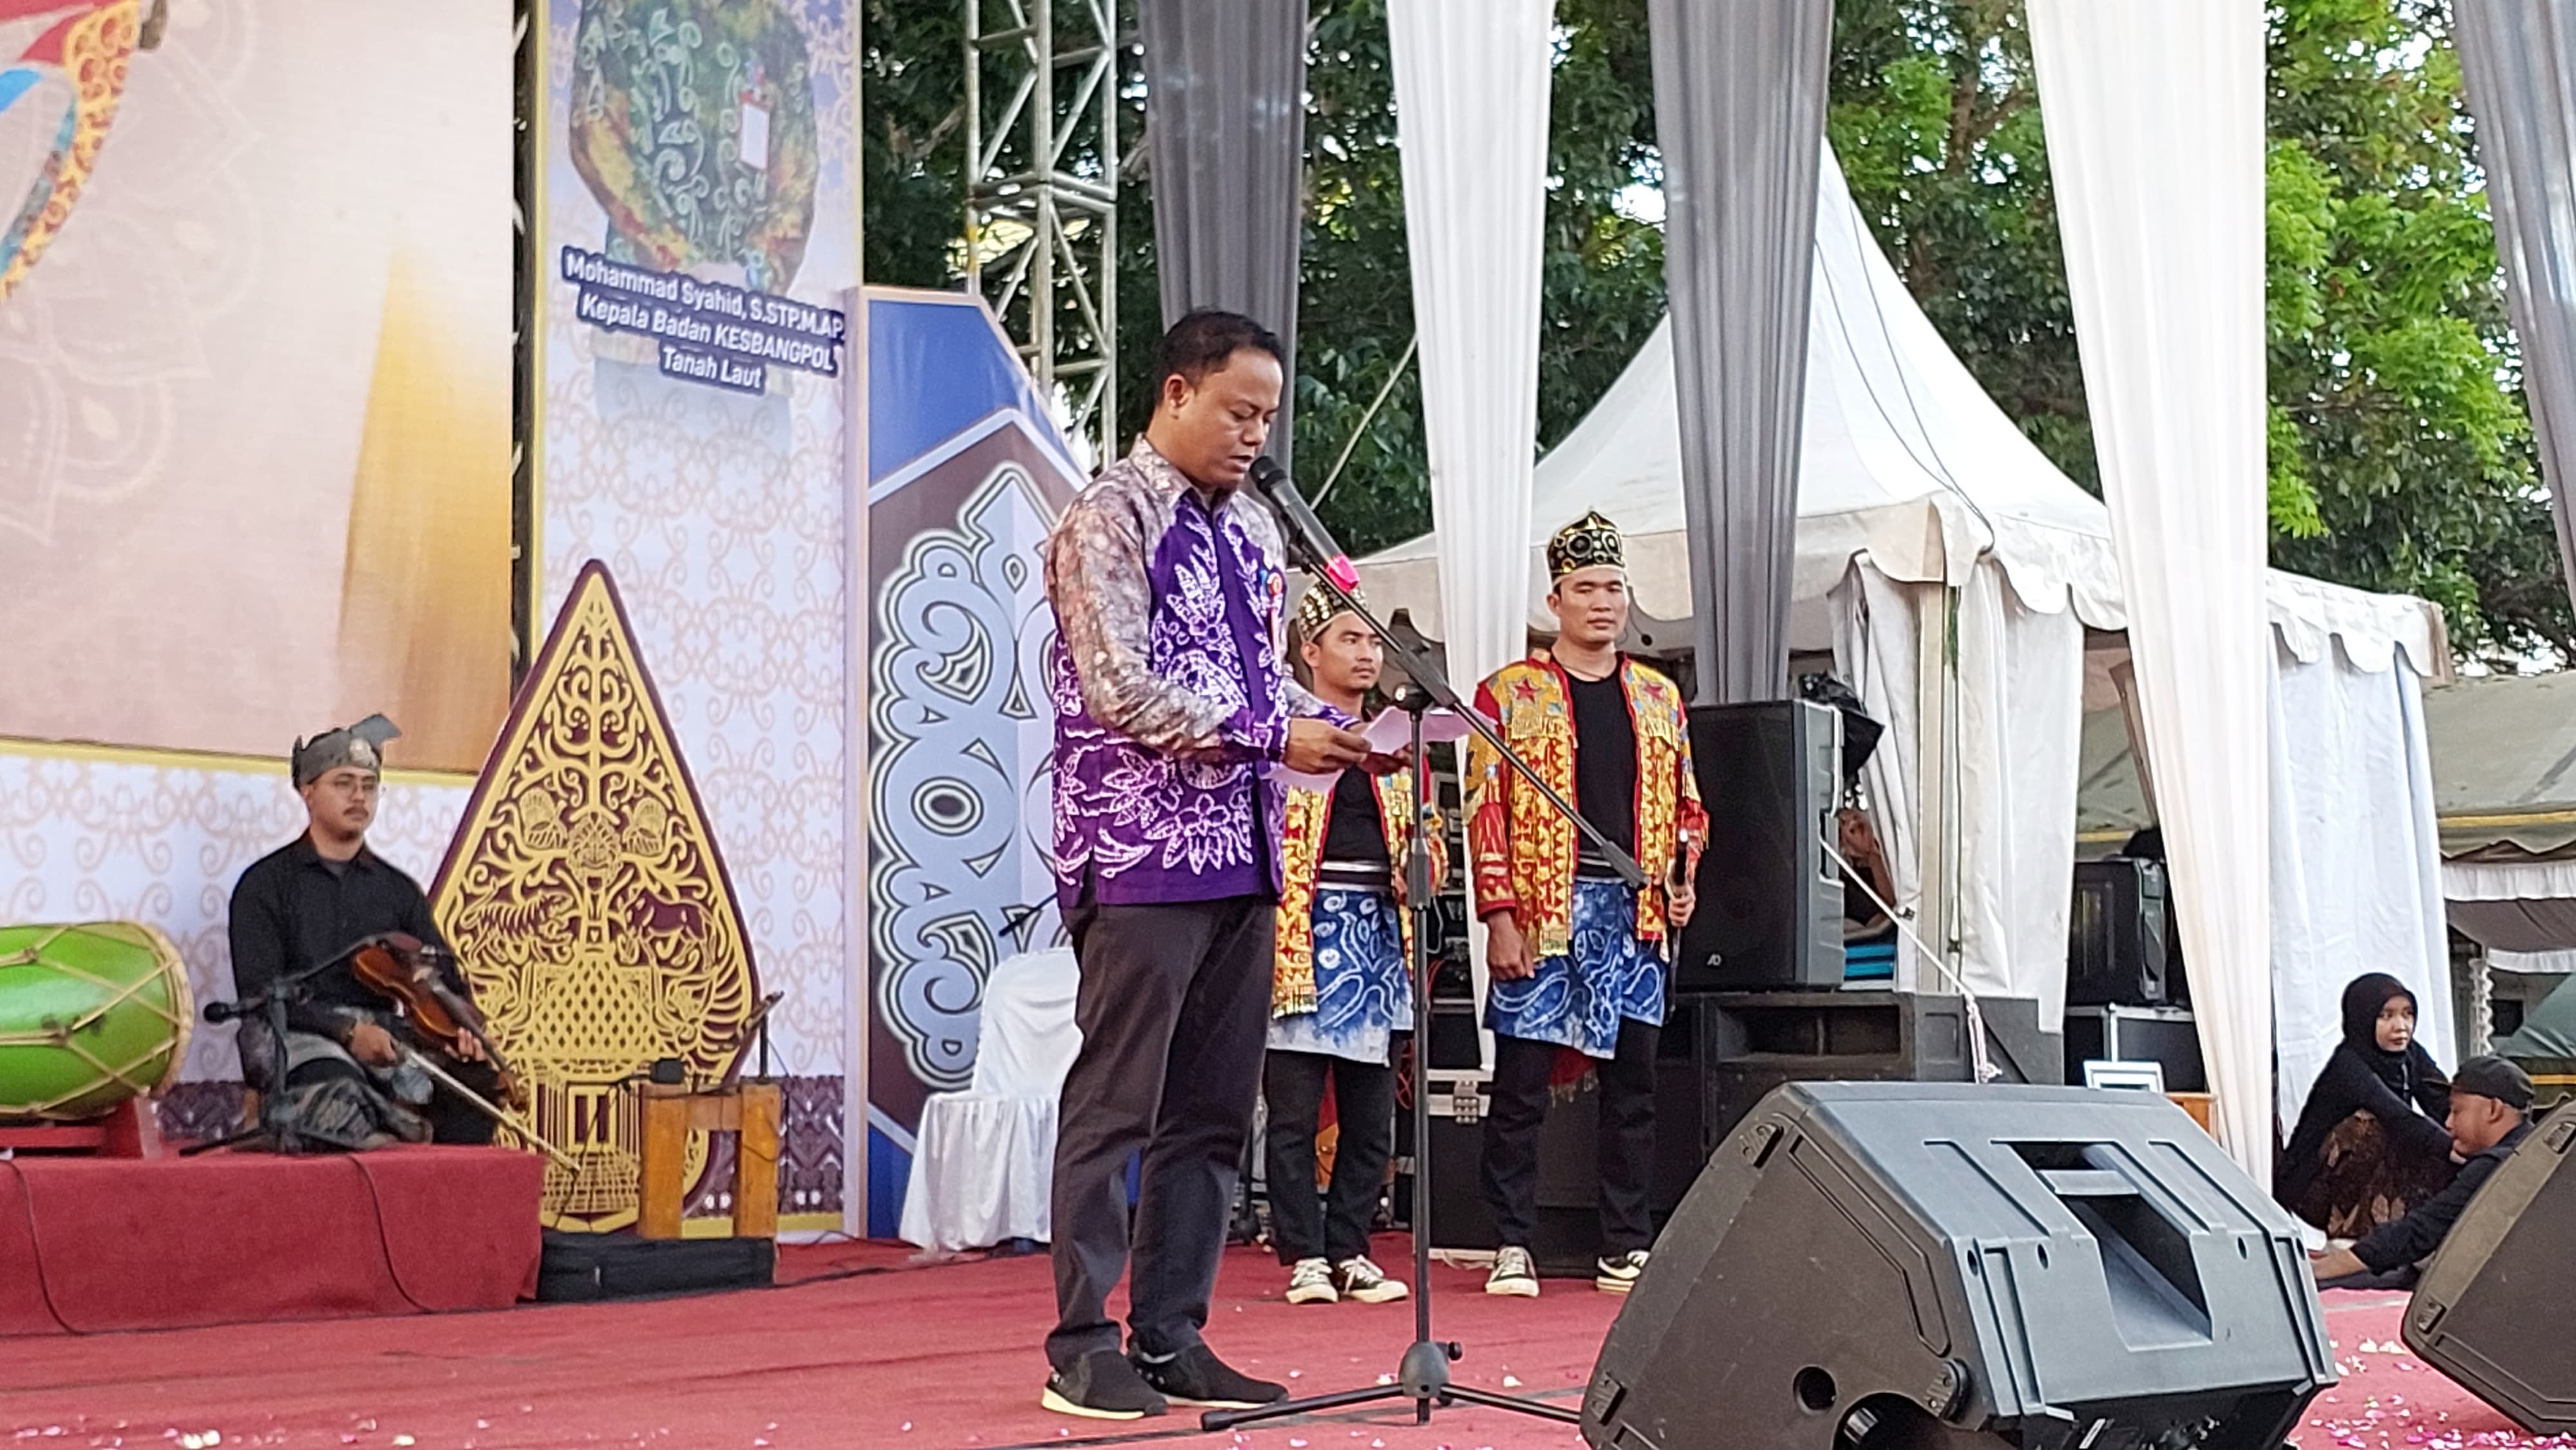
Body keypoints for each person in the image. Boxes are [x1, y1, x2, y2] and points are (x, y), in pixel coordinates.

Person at [1039, 310, 1376, 1421]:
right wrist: (1277, 735)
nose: (1253, 435)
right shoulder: (1107, 517)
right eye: (1238, 411)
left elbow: (1255, 682)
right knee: (1117, 1106)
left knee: (1213, 1112)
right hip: (1139, 852)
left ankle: (1172, 1330)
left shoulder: (1256, 531)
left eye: (1267, 418)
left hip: (1245, 849)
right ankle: (1081, 1343)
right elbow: (1118, 690)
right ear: (1177, 393)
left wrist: (1330, 726)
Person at [1466, 511, 1705, 1298]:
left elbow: (1689, 807)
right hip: (1544, 908)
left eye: (1613, 588)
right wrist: (1498, 914)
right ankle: (1511, 1239)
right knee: (1521, 1082)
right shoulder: (1508, 692)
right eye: (1585, 589)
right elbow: (1483, 807)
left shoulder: (1661, 696)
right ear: (1555, 600)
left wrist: (1683, 875)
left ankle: (1624, 1241)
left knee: (1634, 1084)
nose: (1602, 602)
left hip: (1634, 913)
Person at [1264, 586, 1443, 1308]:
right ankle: (1303, 1252)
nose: (1367, 654)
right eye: (1350, 639)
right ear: (1310, 651)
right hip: (1301, 933)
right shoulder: (1281, 735)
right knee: (1293, 1107)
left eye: (1373, 641)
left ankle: (1350, 1246)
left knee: (1373, 1109)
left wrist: (1424, 866)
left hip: (1377, 931)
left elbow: (1429, 835)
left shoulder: (1397, 740)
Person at [225, 715, 501, 1149]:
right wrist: (347, 1031)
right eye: (344, 783)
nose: (359, 796)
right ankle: (382, 1130)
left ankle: (412, 1162)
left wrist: (461, 1028)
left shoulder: (397, 890)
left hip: (383, 1038)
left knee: (476, 1089)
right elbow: (259, 992)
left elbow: (442, 974)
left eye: (370, 786)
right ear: (307, 791)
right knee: (338, 1092)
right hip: (298, 1033)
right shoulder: (264, 885)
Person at [2308, 1055, 2535, 1288]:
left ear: (2493, 1110)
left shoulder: (2496, 1164)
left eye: (2457, 1111)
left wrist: (2327, 1268)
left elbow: (2423, 1229)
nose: (2448, 1123)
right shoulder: (2530, 1151)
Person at [2277, 974, 2457, 1238]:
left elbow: (2443, 1102)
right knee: (2370, 1127)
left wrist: (2471, 1138)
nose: (2401, 1026)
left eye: (2407, 1014)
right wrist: (2451, 1148)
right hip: (2312, 1188)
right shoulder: (2349, 1064)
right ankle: (2349, 1237)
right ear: (2364, 1018)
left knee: (2441, 1145)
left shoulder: (2411, 1055)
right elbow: (2395, 1114)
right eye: (2386, 1016)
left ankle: (2410, 1236)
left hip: (2377, 1182)